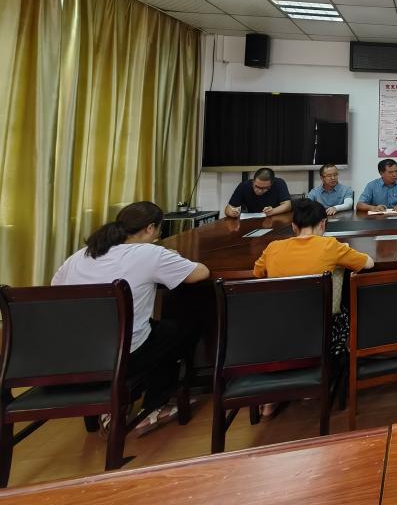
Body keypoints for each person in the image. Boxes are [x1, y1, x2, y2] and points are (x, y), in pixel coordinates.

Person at [52, 202, 210, 433]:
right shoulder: (150, 253)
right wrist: (169, 257)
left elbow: (56, 289)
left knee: (156, 330)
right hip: (122, 356)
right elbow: (201, 273)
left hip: (70, 357)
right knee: (181, 329)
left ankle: (118, 402)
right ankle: (156, 403)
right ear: (150, 228)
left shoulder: (81, 255)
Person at [252, 198, 373, 417]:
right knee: (347, 312)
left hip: (277, 333)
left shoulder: (273, 248)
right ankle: (315, 382)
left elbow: (257, 273)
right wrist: (343, 252)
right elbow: (368, 263)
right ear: (323, 224)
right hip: (321, 331)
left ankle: (273, 395)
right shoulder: (330, 246)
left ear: (294, 227)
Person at [225, 167, 292, 218]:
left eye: (264, 188)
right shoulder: (244, 186)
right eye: (257, 186)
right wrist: (231, 212)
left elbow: (287, 205)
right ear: (253, 181)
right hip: (253, 221)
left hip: (275, 219)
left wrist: (272, 211)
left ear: (271, 184)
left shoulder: (279, 183)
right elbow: (228, 208)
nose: (259, 190)